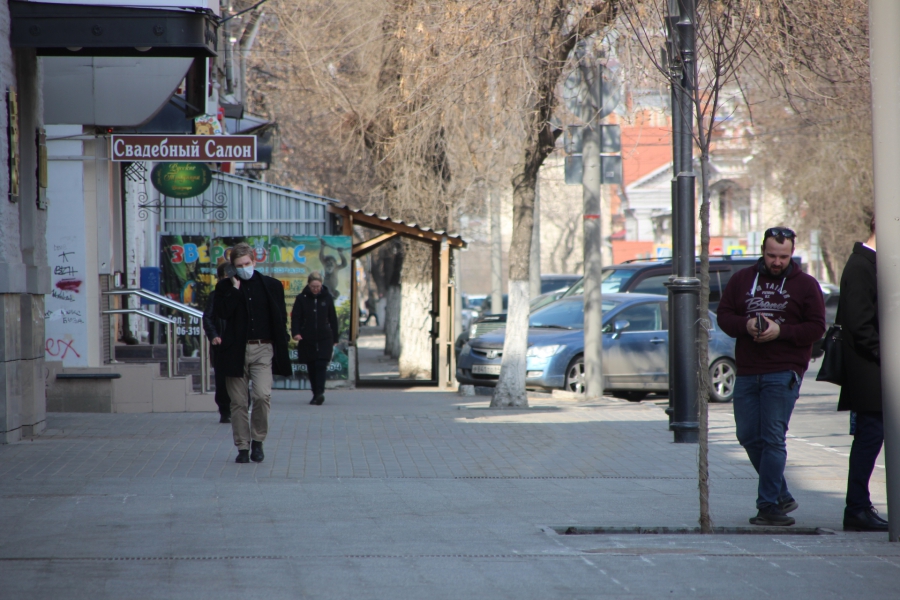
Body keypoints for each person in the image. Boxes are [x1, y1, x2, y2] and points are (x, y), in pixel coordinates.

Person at [716, 227, 826, 526]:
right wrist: (747, 325)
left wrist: (781, 331)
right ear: (762, 251)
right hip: (749, 369)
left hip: (784, 369)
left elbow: (817, 327)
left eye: (783, 256)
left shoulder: (805, 285)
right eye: (771, 255)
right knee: (748, 435)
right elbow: (724, 315)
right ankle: (781, 494)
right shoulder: (742, 280)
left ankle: (768, 507)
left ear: (792, 254)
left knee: (772, 437)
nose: (777, 262)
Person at [214, 243, 291, 464]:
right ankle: (243, 447)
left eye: (247, 264)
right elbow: (222, 313)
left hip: (263, 349)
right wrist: (235, 290)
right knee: (238, 402)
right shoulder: (225, 288)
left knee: (261, 395)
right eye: (239, 266)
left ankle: (258, 440)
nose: (244, 268)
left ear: (254, 262)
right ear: (233, 267)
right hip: (235, 351)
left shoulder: (271, 285)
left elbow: (280, 318)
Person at [838, 216, 889, 532]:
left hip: (876, 373)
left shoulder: (874, 264)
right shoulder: (861, 266)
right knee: (869, 440)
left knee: (872, 439)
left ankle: (860, 505)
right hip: (870, 374)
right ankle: (856, 507)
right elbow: (860, 324)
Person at [291, 271, 339, 406]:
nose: (316, 289)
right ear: (309, 285)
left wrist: (335, 337)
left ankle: (320, 393)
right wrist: (296, 332)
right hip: (307, 337)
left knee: (321, 364)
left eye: (318, 286)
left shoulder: (327, 297)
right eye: (313, 286)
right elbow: (296, 317)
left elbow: (333, 318)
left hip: (325, 337)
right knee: (312, 366)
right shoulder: (301, 298)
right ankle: (315, 393)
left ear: (321, 285)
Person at [202, 263, 232, 423]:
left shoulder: (242, 295)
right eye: (224, 277)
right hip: (220, 344)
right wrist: (213, 335)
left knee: (240, 378)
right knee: (222, 380)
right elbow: (207, 317)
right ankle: (225, 410)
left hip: (238, 344)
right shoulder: (215, 296)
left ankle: (241, 406)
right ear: (220, 278)